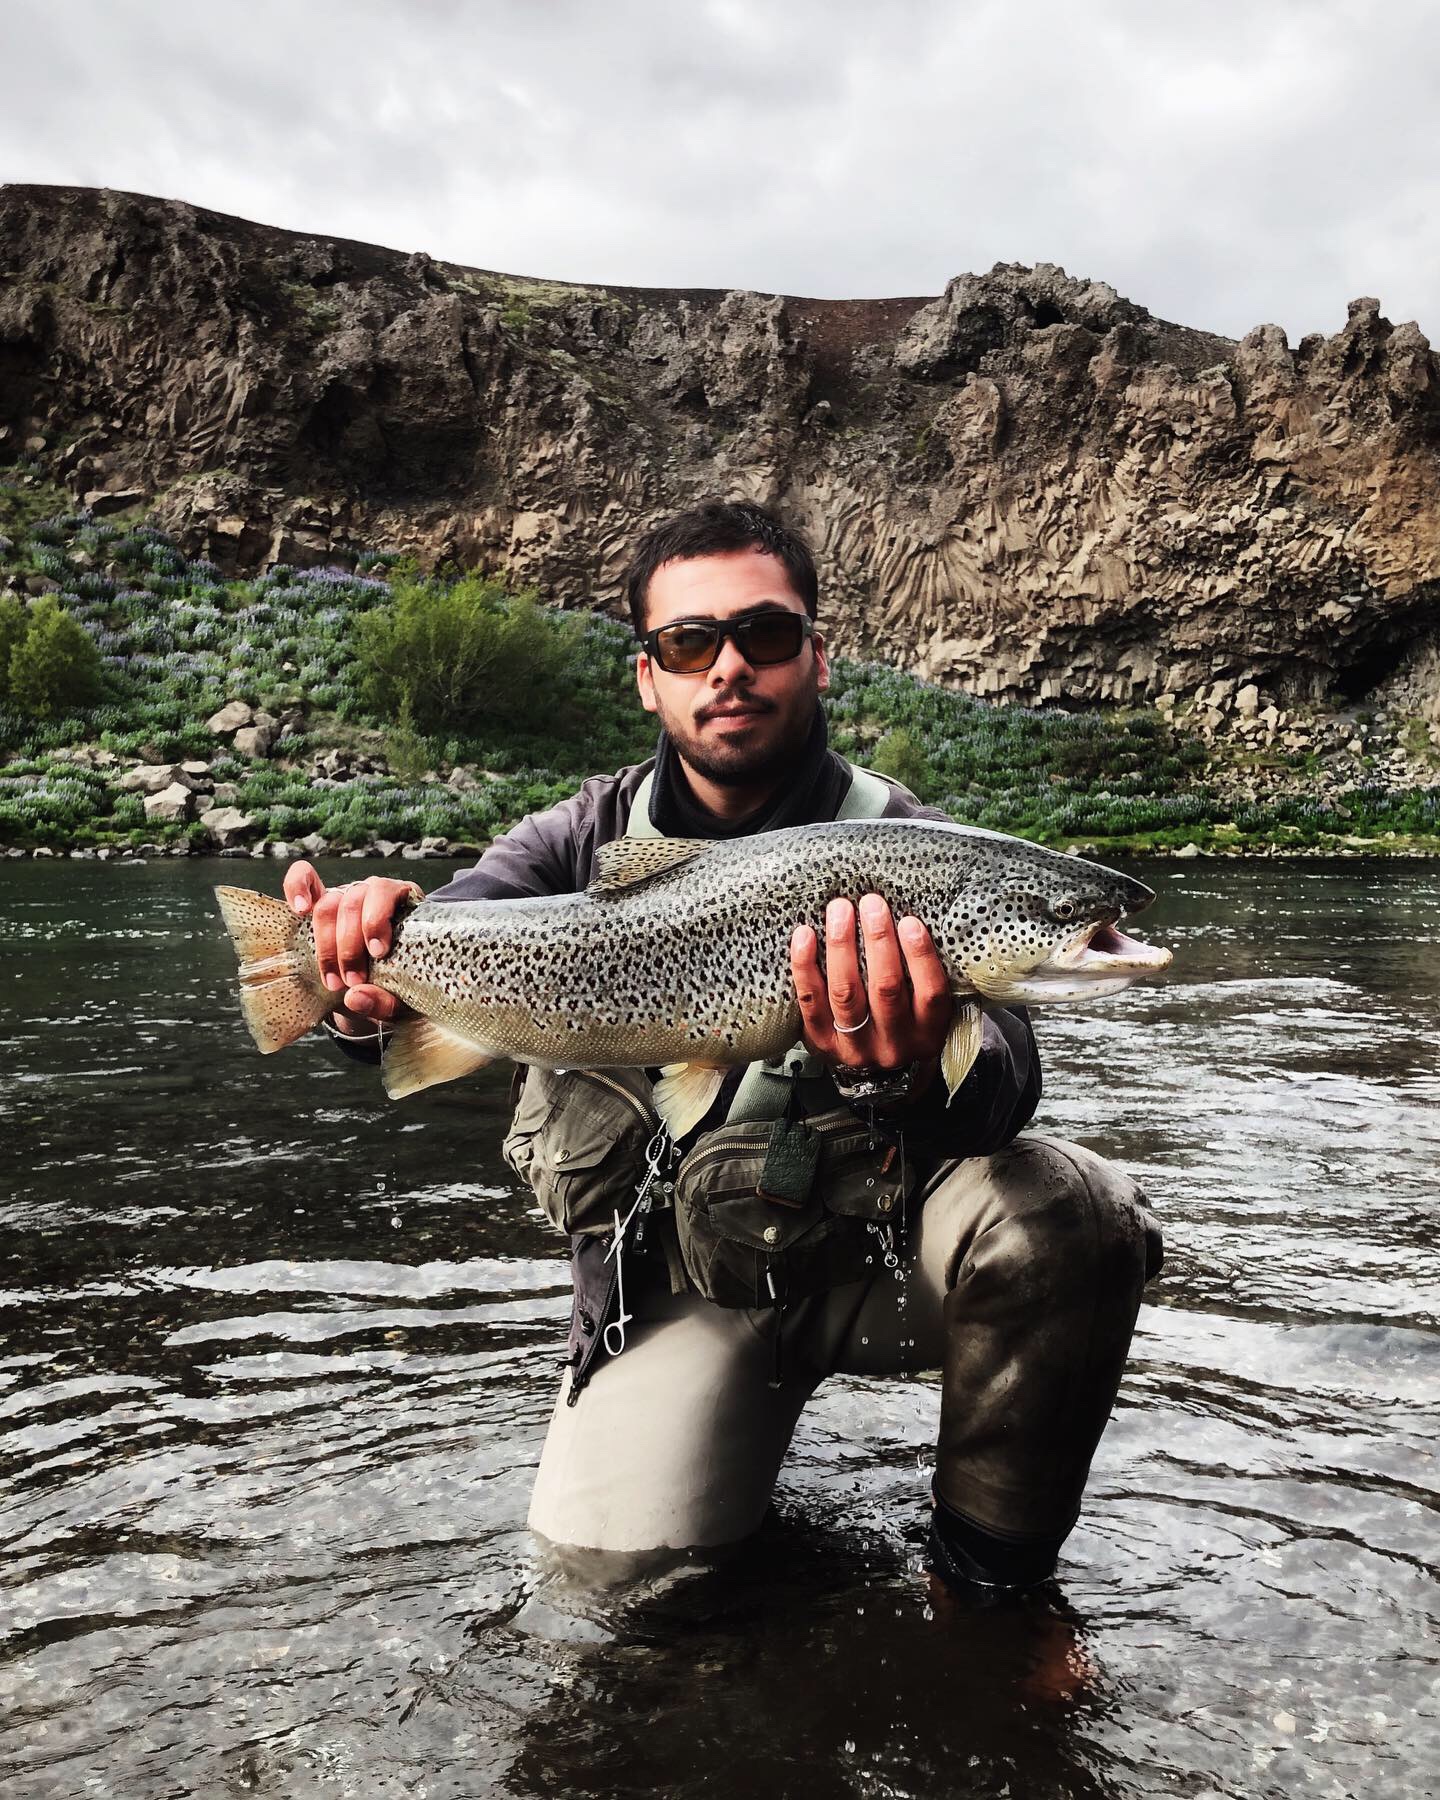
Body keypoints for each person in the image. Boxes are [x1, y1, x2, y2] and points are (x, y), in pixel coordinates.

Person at [285, 500, 1161, 1591]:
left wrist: (905, 1064)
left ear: (819, 659)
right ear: (647, 676)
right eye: (690, 643)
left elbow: (1005, 1090)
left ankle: (994, 1589)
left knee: (1077, 1214)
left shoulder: (916, 846)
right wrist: (349, 981)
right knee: (612, 1589)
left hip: (874, 1259)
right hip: (669, 1287)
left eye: (767, 635)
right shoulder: (573, 842)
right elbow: (432, 966)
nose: (730, 668)